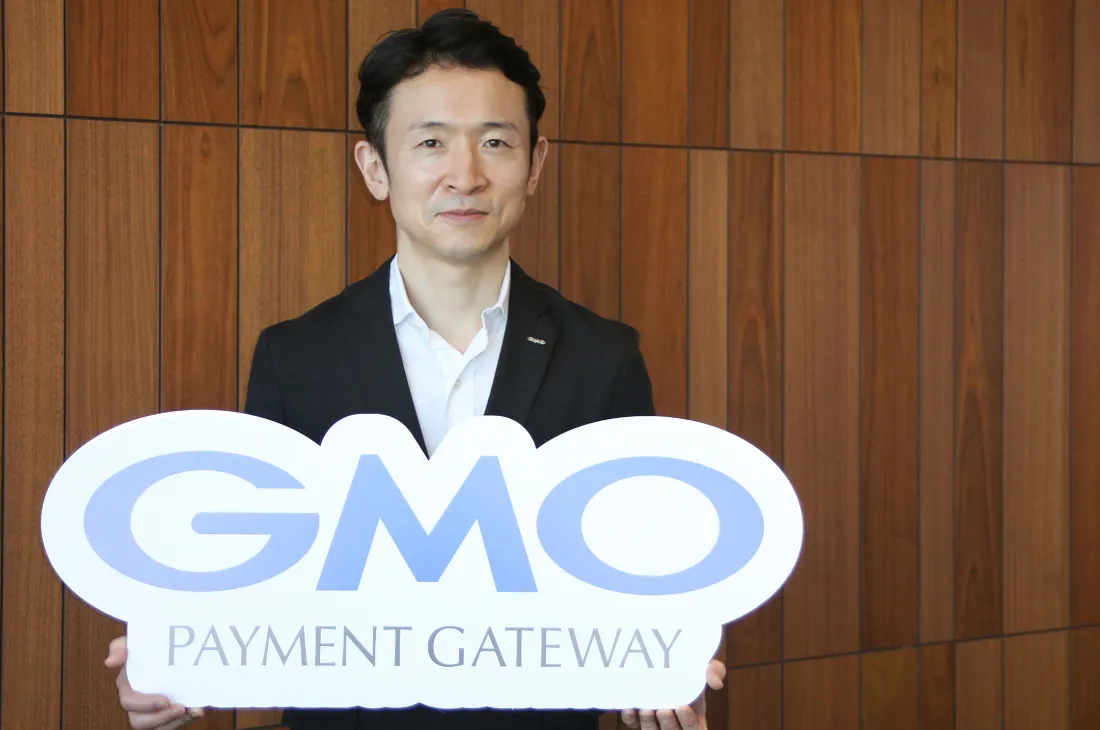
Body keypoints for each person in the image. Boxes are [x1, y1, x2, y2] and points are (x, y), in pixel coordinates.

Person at [104, 8, 725, 730]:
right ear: (375, 167)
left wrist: (668, 672)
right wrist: (172, 664)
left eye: (495, 142)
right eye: (431, 142)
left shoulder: (605, 357)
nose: (466, 176)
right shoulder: (295, 356)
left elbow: (634, 572)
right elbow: (263, 574)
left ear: (535, 164)